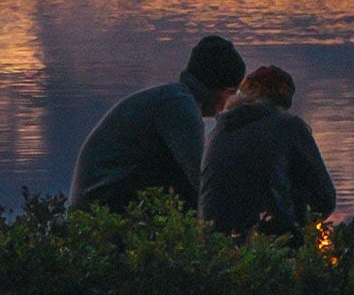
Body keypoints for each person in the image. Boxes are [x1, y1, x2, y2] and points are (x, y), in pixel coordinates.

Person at [68, 35, 245, 211]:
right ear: (214, 85)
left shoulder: (171, 99)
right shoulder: (177, 105)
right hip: (102, 211)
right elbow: (202, 179)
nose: (225, 106)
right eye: (230, 93)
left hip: (100, 203)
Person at [200, 65, 336, 240]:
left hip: (213, 246)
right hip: (268, 247)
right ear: (284, 100)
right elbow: (325, 200)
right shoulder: (289, 126)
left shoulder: (219, 129)